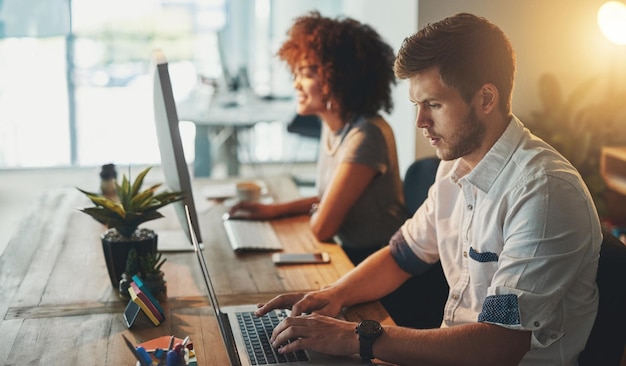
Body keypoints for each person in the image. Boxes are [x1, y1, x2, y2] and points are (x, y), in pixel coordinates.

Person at [254, 13, 602, 365]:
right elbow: (402, 255)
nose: (421, 121)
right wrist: (334, 294)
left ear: (485, 99)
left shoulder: (542, 193)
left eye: (433, 104)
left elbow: (501, 344)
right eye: (417, 105)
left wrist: (355, 337)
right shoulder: (454, 166)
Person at [229, 11, 407, 265]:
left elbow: (322, 226)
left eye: (307, 73)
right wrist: (273, 211)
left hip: (374, 262)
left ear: (340, 78)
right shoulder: (334, 124)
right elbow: (327, 201)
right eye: (297, 72)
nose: (296, 84)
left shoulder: (366, 135)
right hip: (346, 253)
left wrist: (317, 210)